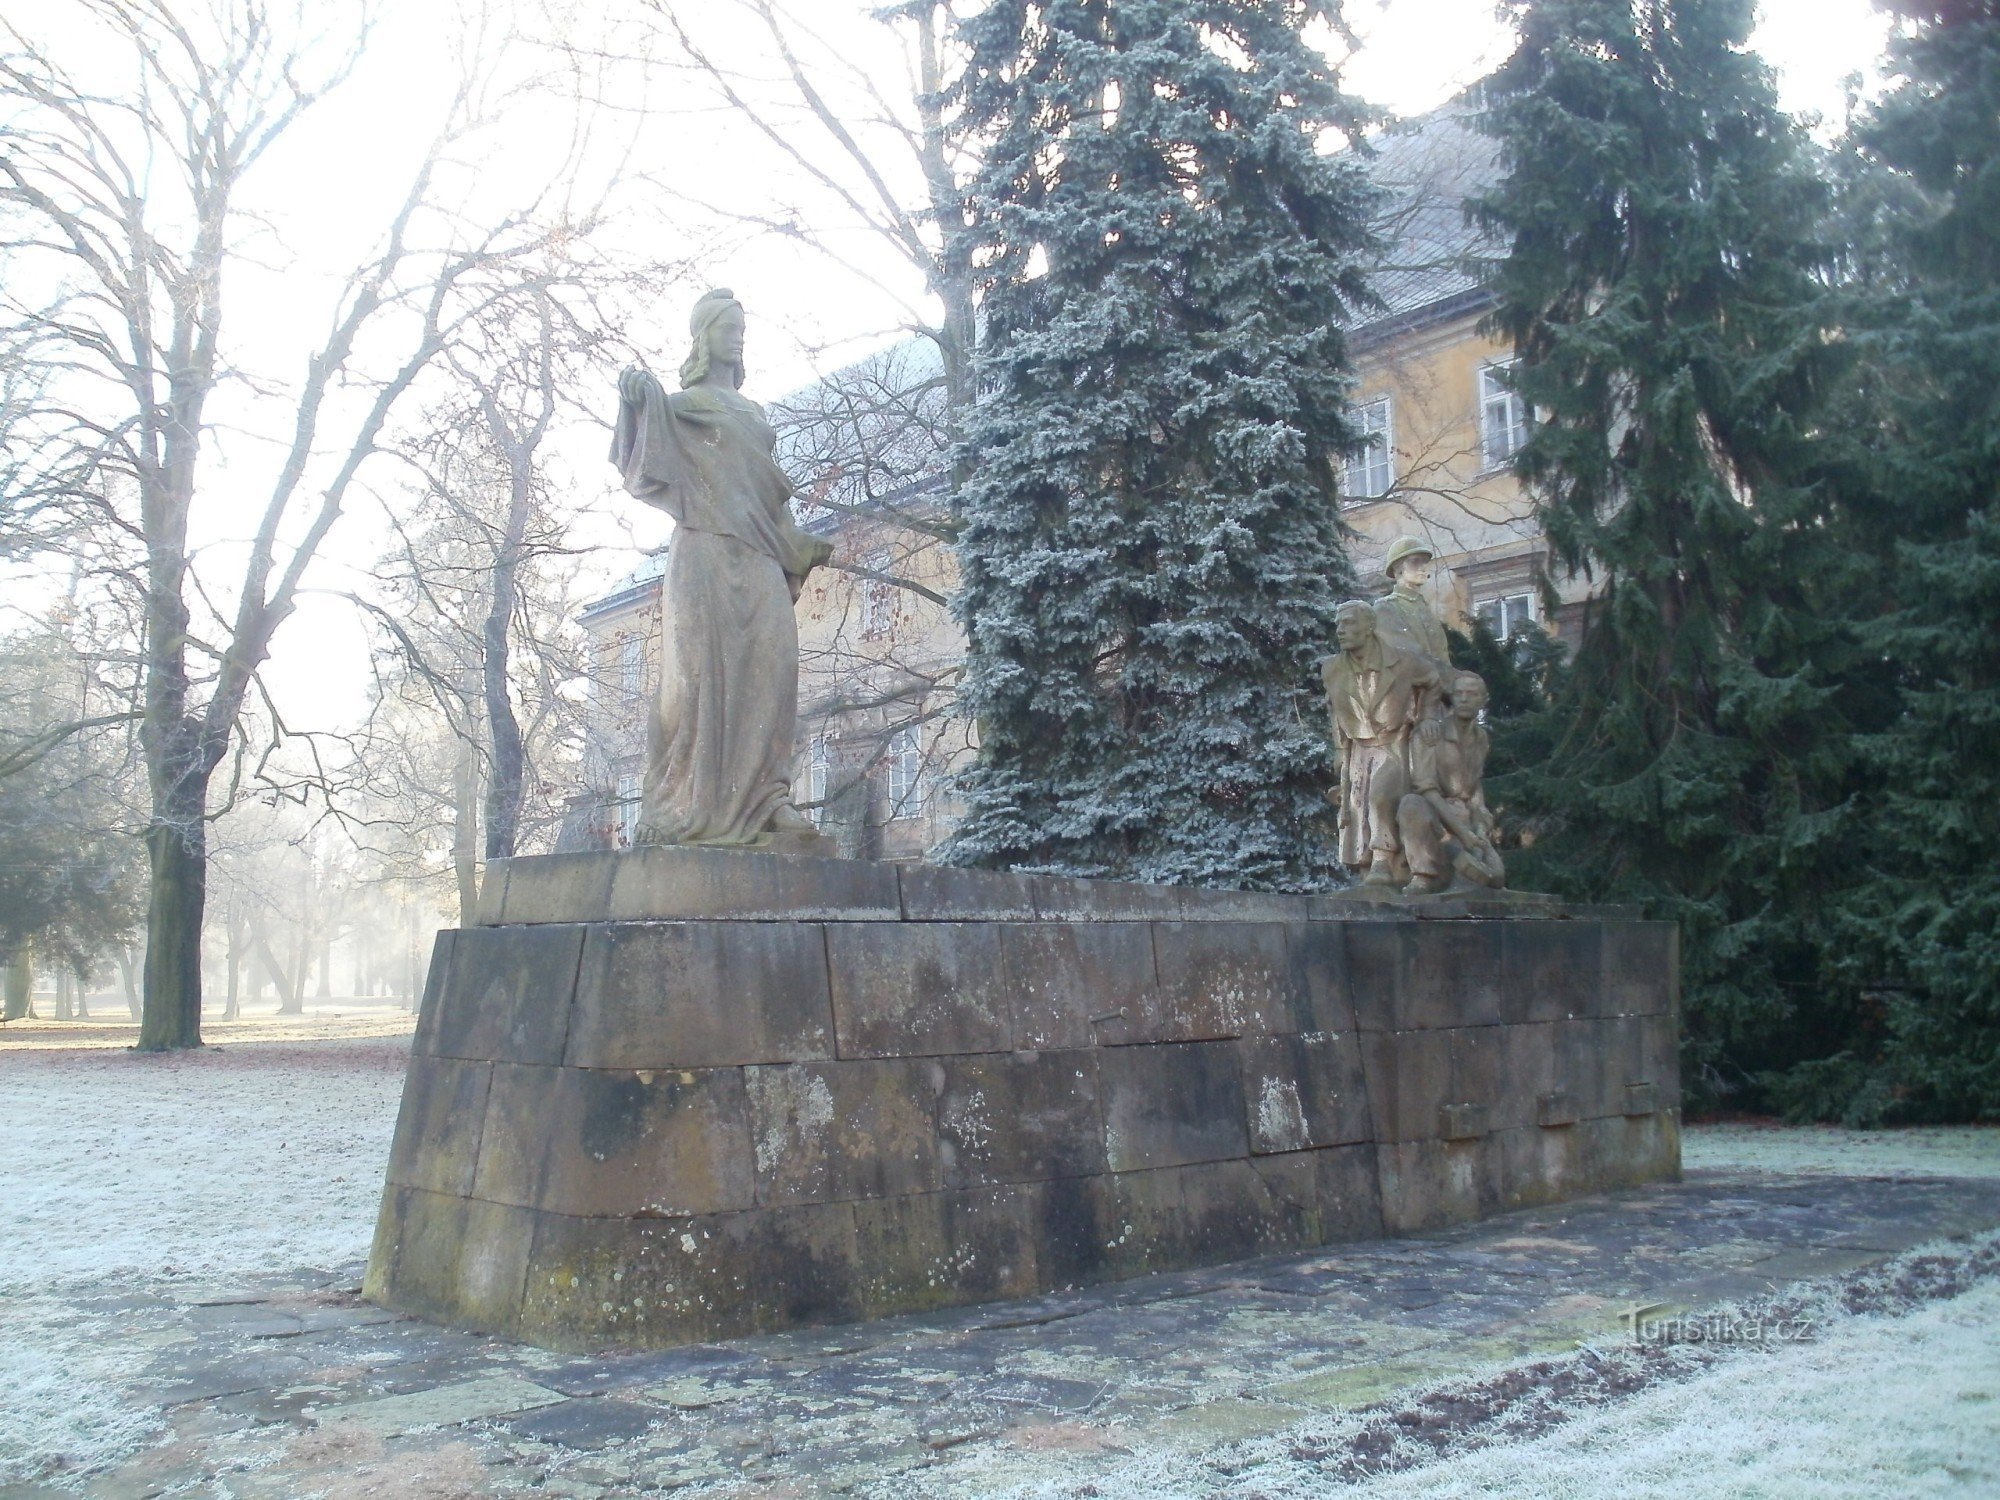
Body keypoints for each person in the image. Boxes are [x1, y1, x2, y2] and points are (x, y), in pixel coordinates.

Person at [608, 288, 832, 847]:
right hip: (705, 555)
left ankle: (767, 800)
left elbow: (767, 494)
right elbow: (639, 458)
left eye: (741, 325)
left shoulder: (753, 414)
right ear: (703, 337)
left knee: (771, 675)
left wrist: (796, 545)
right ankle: (684, 802)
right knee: (699, 683)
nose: (738, 334)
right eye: (727, 326)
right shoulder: (680, 406)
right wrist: (638, 397)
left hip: (761, 554)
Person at [1321, 600, 1443, 885]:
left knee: (1379, 797)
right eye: (1338, 624)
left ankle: (1382, 861)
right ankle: (1369, 870)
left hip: (1393, 744)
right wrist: (1339, 747)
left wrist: (1427, 717)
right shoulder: (1332, 668)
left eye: (1348, 623)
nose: (1340, 630)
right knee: (1357, 807)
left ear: (1369, 627)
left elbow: (1433, 680)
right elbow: (1334, 710)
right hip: (1358, 750)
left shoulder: (1402, 661)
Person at [1398, 669, 1505, 894]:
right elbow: (1425, 788)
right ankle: (1422, 876)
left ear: (1483, 700)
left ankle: (1465, 875)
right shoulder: (1430, 734)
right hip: (1439, 818)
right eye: (1459, 693)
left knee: (1494, 878)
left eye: (1472, 694)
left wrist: (1481, 825)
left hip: (1466, 821)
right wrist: (1461, 832)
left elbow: (1475, 788)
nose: (1464, 699)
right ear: (1452, 697)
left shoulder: (1481, 738)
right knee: (1411, 804)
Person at [1372, 535, 1452, 671]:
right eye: (1415, 562)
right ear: (1398, 569)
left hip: (1437, 686)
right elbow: (1405, 654)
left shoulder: (1425, 609)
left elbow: (1443, 656)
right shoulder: (1386, 607)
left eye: (1425, 562)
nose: (1422, 567)